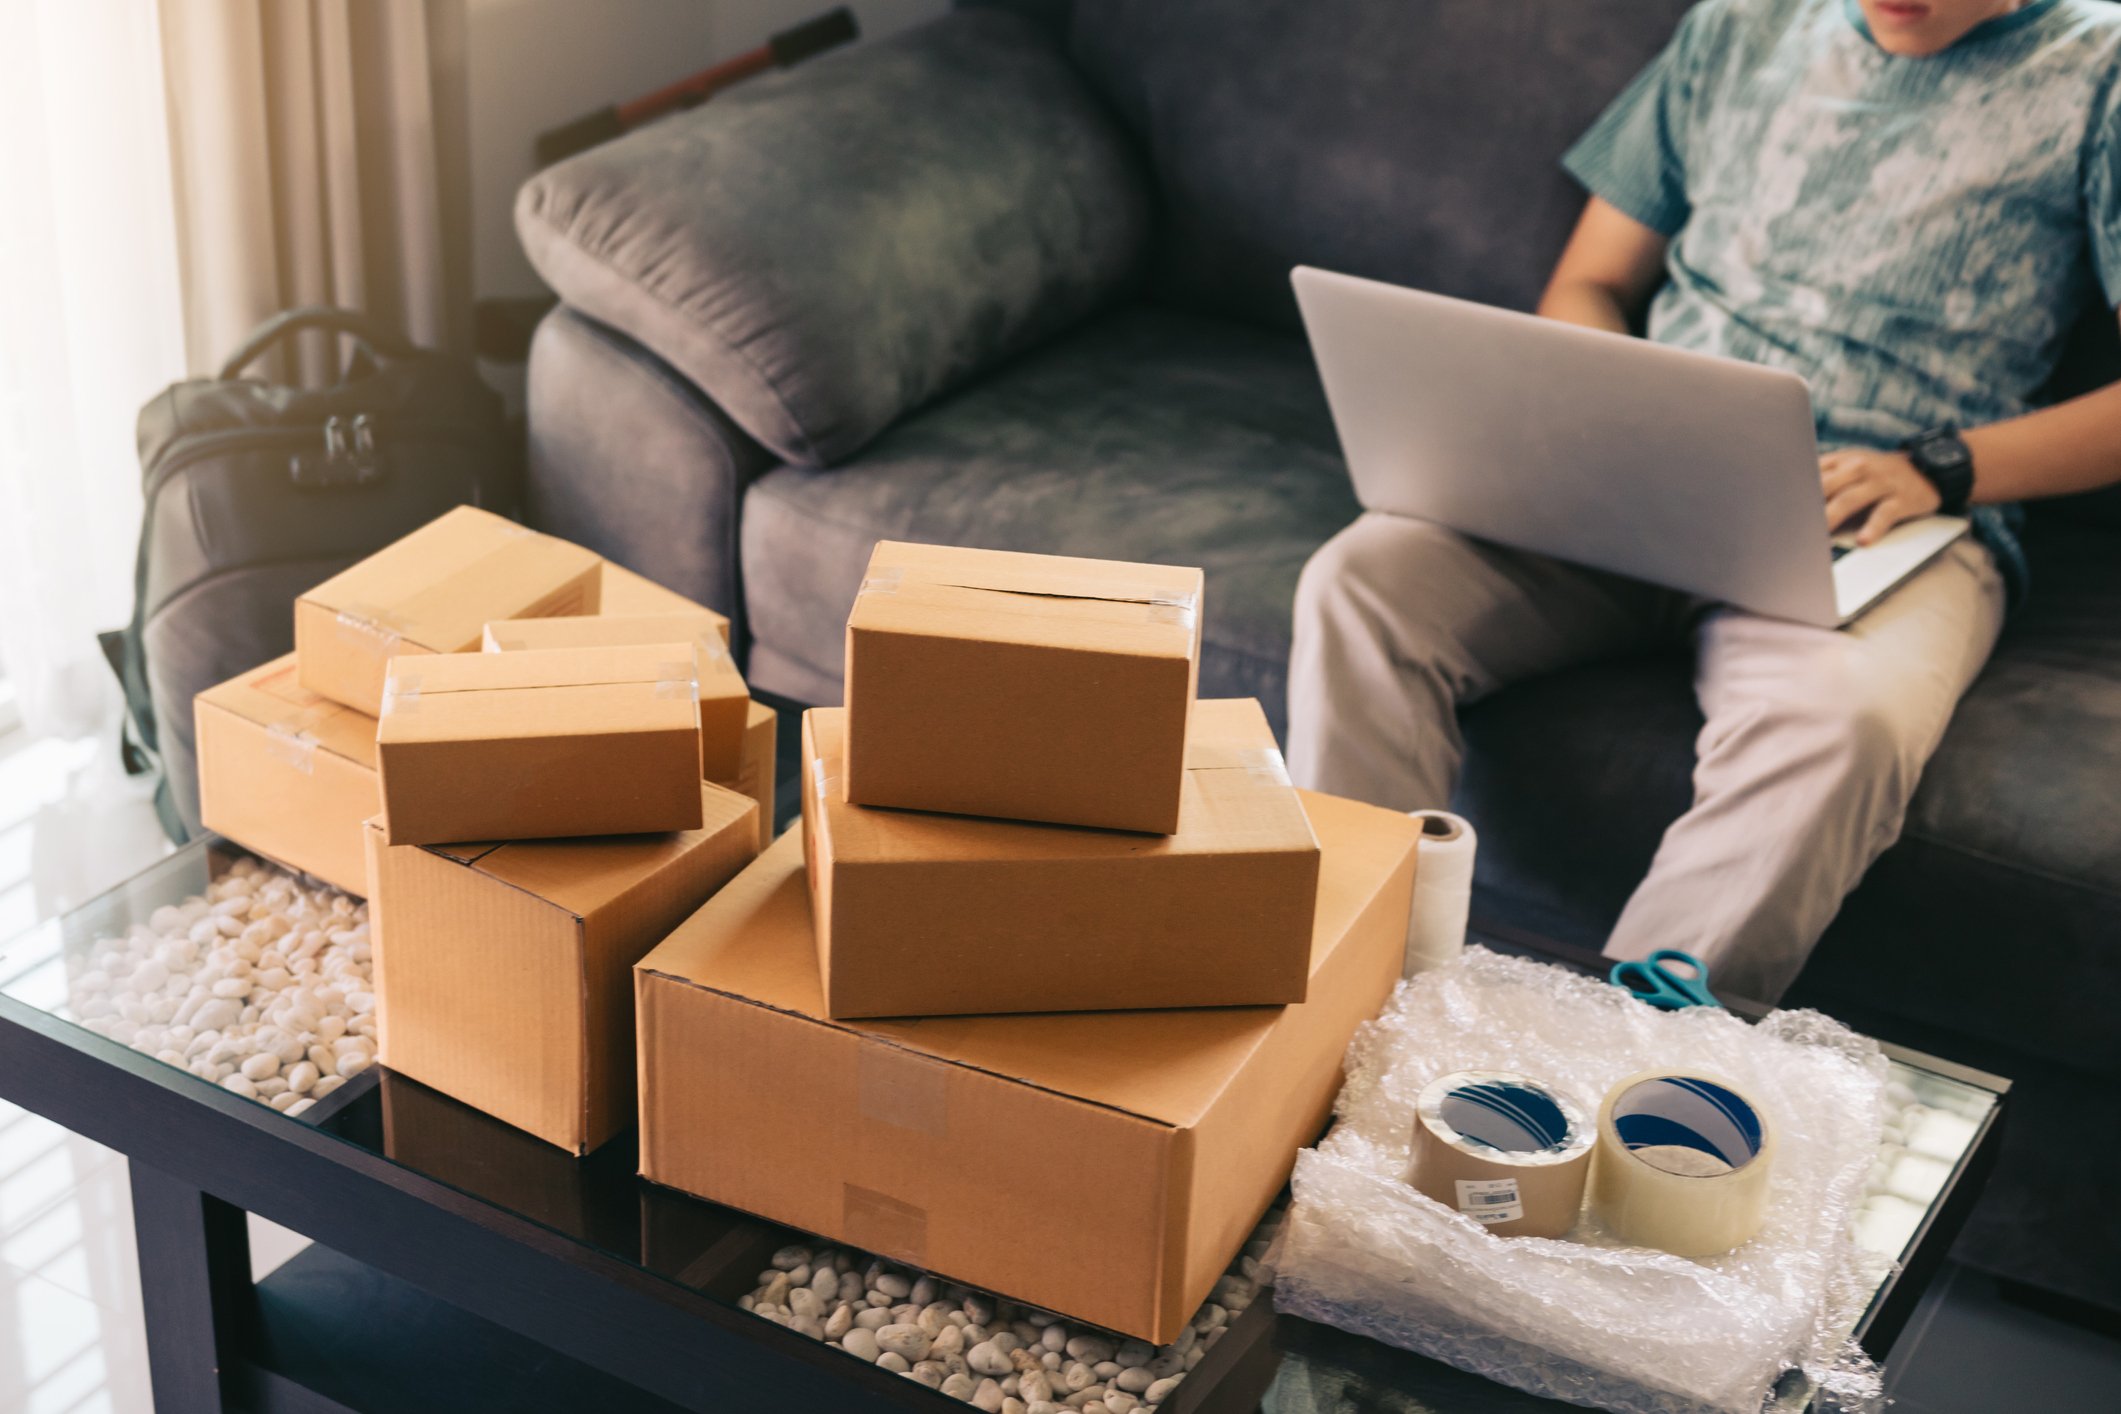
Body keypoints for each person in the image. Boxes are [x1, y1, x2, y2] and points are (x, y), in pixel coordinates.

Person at [1286, 0, 2121, 1002]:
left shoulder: (2098, 67)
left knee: (1845, 724)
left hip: (1890, 510)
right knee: (1362, 584)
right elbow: (1592, 280)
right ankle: (1339, 990)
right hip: (1644, 474)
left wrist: (1939, 467)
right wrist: (1604, 411)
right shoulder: (1740, 25)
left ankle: (1613, 1068)